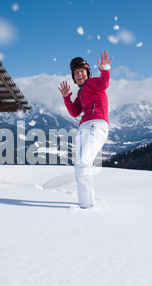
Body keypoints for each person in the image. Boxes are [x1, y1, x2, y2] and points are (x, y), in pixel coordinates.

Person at [58, 51, 112, 209]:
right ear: (73, 77)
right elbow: (75, 112)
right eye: (75, 72)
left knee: (83, 164)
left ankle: (86, 206)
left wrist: (105, 69)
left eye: (81, 71)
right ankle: (86, 203)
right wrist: (67, 97)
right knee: (80, 166)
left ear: (88, 72)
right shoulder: (81, 92)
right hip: (84, 129)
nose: (79, 74)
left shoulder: (93, 83)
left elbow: (104, 83)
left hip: (96, 125)